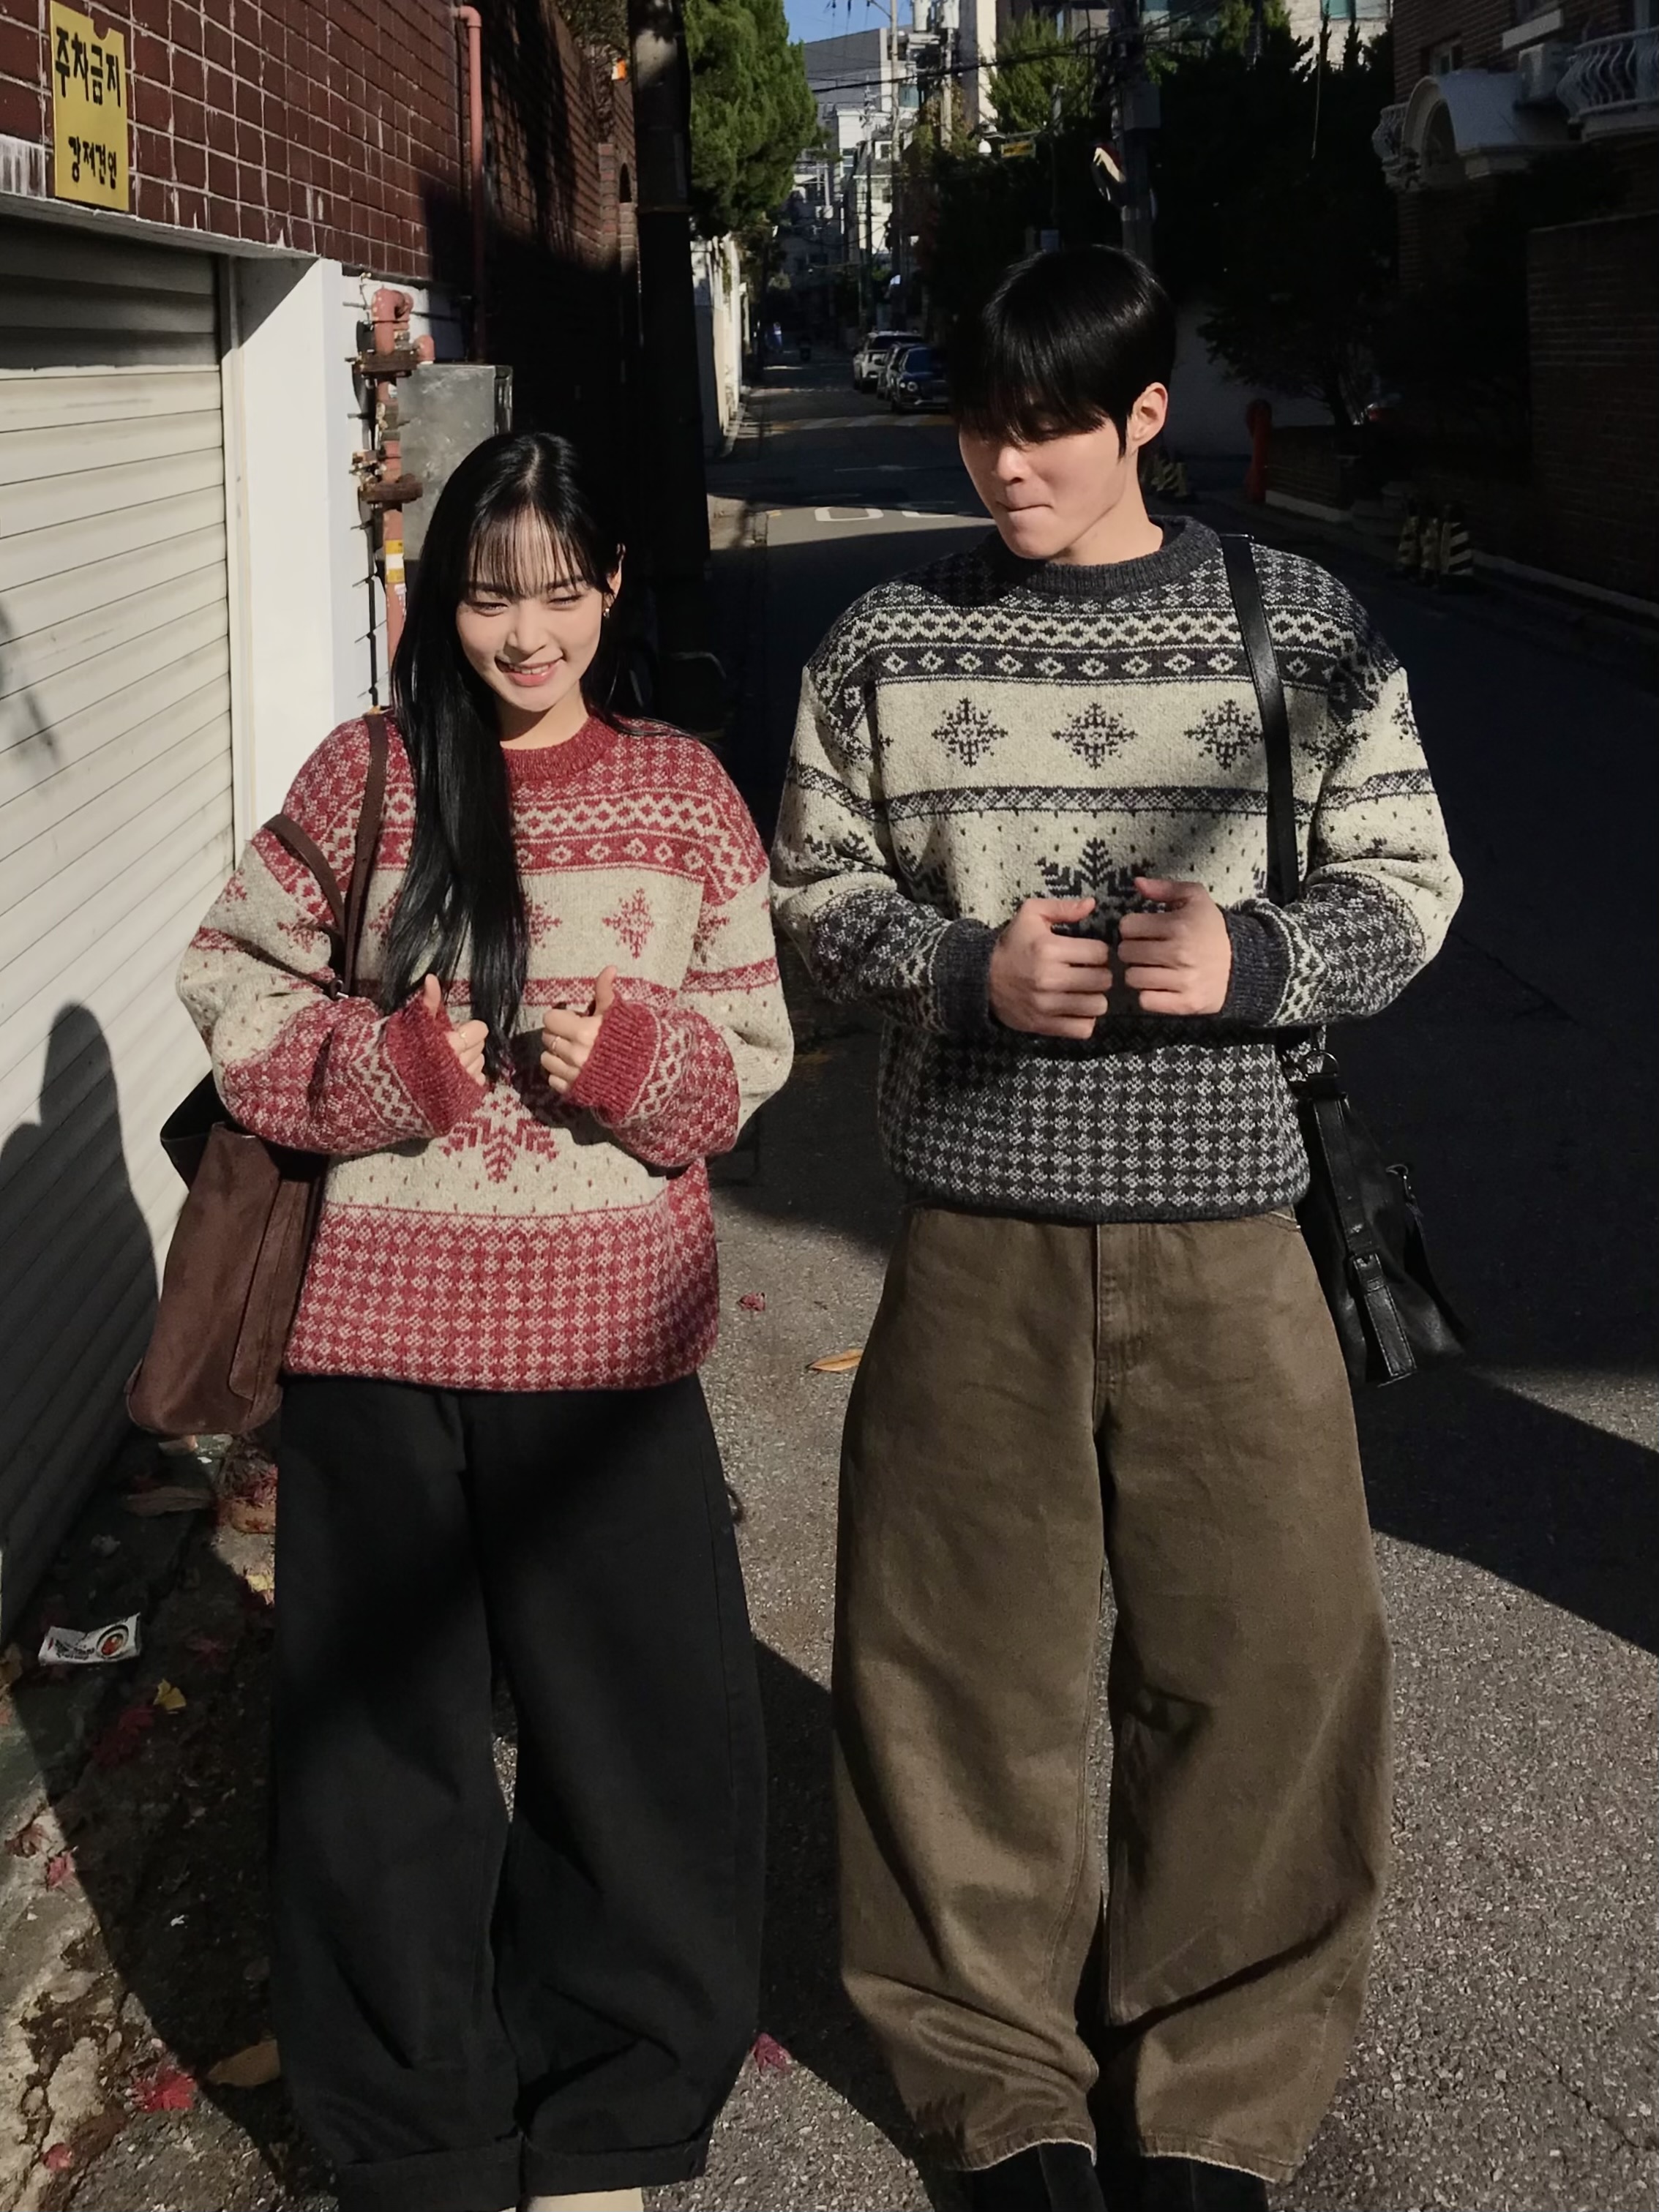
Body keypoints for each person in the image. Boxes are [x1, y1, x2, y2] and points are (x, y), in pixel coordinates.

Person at [771, 247, 1461, 2212]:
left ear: (1146, 413)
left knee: (1263, 1667)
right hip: (972, 1236)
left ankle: (1220, 2099)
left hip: (1236, 1237)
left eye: (1053, 426)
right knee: (950, 1673)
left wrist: (1259, 959)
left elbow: (1409, 880)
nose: (1010, 465)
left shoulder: (1297, 620)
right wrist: (955, 971)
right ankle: (998, 2091)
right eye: (980, 426)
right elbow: (809, 894)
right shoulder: (885, 641)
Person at [180, 431, 792, 2212]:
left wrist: (635, 1058)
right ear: (439, 600)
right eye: (486, 594)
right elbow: (228, 977)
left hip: (614, 1357)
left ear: (612, 589)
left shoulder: (683, 791)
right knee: (384, 1765)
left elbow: (751, 1051)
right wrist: (391, 1069)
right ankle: (419, 2135)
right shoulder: (367, 775)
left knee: (644, 1746)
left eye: (560, 592)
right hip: (377, 1356)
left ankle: (614, 2116)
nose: (525, 634)